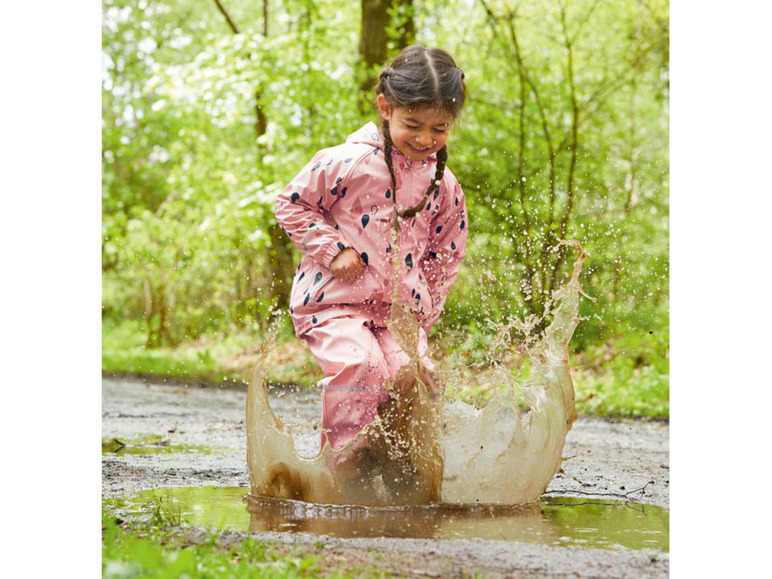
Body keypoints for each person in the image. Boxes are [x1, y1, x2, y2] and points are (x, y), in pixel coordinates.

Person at [274, 45, 468, 472]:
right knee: (361, 366)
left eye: (439, 128)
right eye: (412, 124)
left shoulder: (444, 184)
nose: (424, 138)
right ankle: (344, 463)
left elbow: (447, 251)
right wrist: (333, 250)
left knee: (414, 375)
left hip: (398, 312)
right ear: (385, 108)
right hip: (333, 304)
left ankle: (403, 466)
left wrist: (427, 308)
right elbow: (290, 203)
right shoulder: (347, 162)